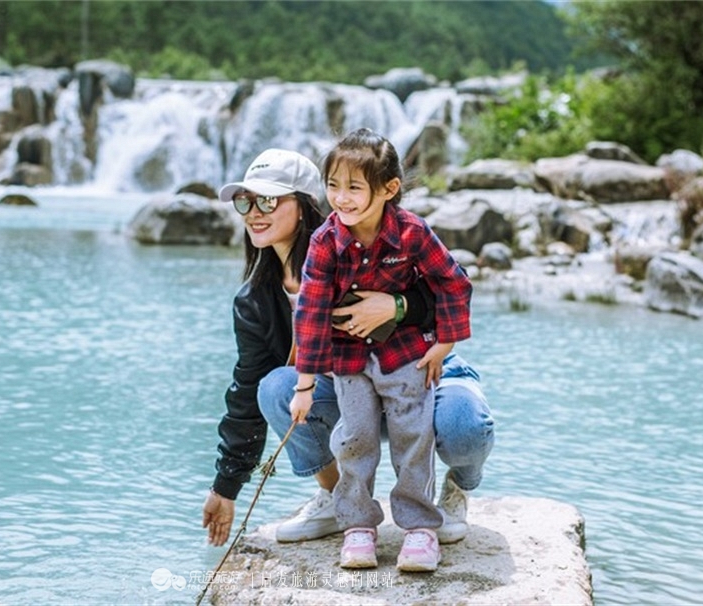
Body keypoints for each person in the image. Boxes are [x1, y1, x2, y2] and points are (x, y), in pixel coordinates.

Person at [202, 147, 493, 558]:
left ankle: (455, 490)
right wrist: (225, 488)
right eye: (245, 201)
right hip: (350, 383)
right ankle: (341, 503)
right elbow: (245, 392)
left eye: (268, 199)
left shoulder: (356, 247)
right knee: (274, 388)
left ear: (304, 206)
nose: (253, 212)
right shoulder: (255, 300)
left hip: (421, 370)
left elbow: (446, 288)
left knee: (464, 424)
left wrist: (395, 306)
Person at [289, 127, 472, 572]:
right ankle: (357, 526)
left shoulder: (411, 233)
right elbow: (311, 309)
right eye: (333, 185)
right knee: (355, 438)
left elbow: (453, 282)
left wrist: (444, 344)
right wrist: (305, 384)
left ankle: (420, 529)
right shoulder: (324, 241)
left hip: (406, 353)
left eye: (354, 187)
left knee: (414, 434)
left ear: (389, 189)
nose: (341, 198)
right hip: (349, 359)